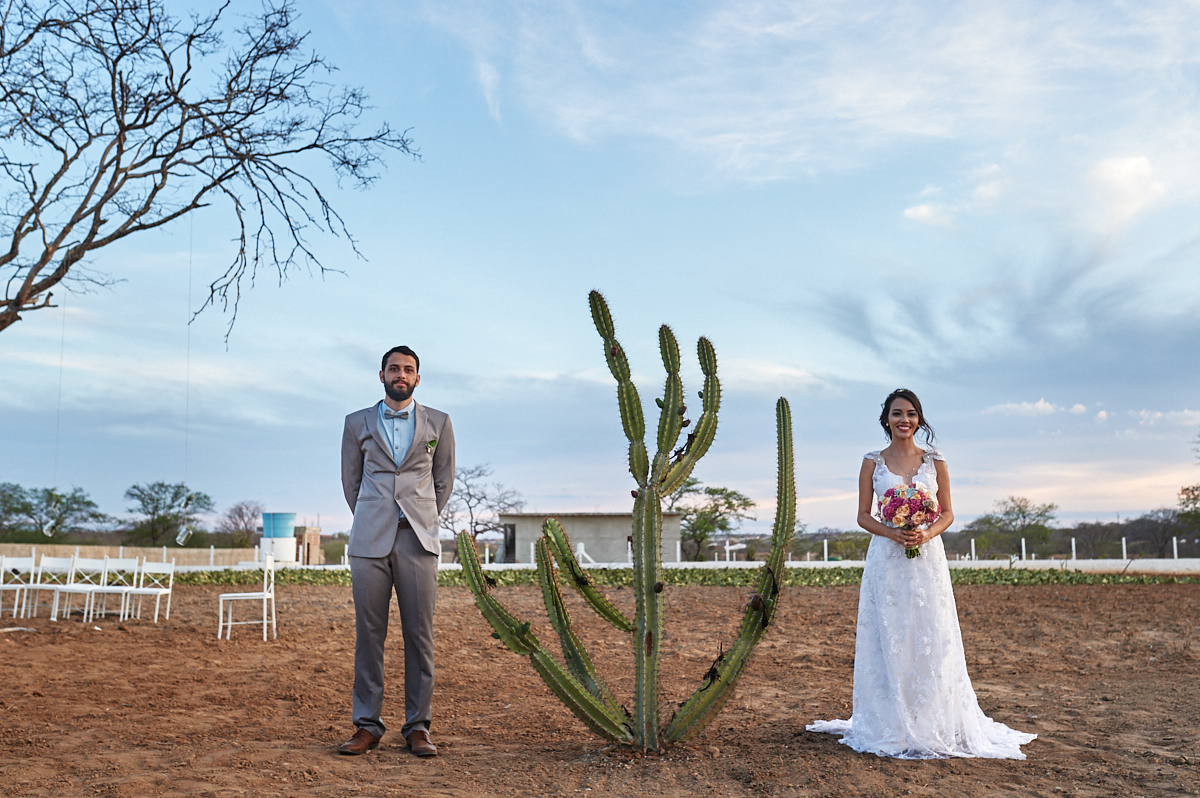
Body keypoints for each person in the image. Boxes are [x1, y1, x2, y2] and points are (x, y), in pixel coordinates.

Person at [807, 388, 1036, 759]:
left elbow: (947, 512)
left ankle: (932, 717)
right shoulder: (871, 461)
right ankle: (891, 721)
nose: (905, 420)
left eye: (912, 414)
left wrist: (925, 533)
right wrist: (892, 531)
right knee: (891, 632)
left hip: (927, 558)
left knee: (930, 630)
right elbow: (863, 516)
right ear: (886, 419)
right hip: (887, 557)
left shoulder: (935, 461)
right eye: (897, 413)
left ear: (919, 420)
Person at [338, 345, 455, 757]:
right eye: (393, 368)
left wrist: (418, 517)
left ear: (417, 378)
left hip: (418, 541)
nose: (400, 374)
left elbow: (443, 481)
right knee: (369, 635)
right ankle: (367, 725)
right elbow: (351, 481)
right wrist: (375, 517)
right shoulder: (356, 423)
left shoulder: (439, 422)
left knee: (419, 636)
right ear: (382, 375)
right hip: (370, 542)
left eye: (408, 369)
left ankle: (417, 728)